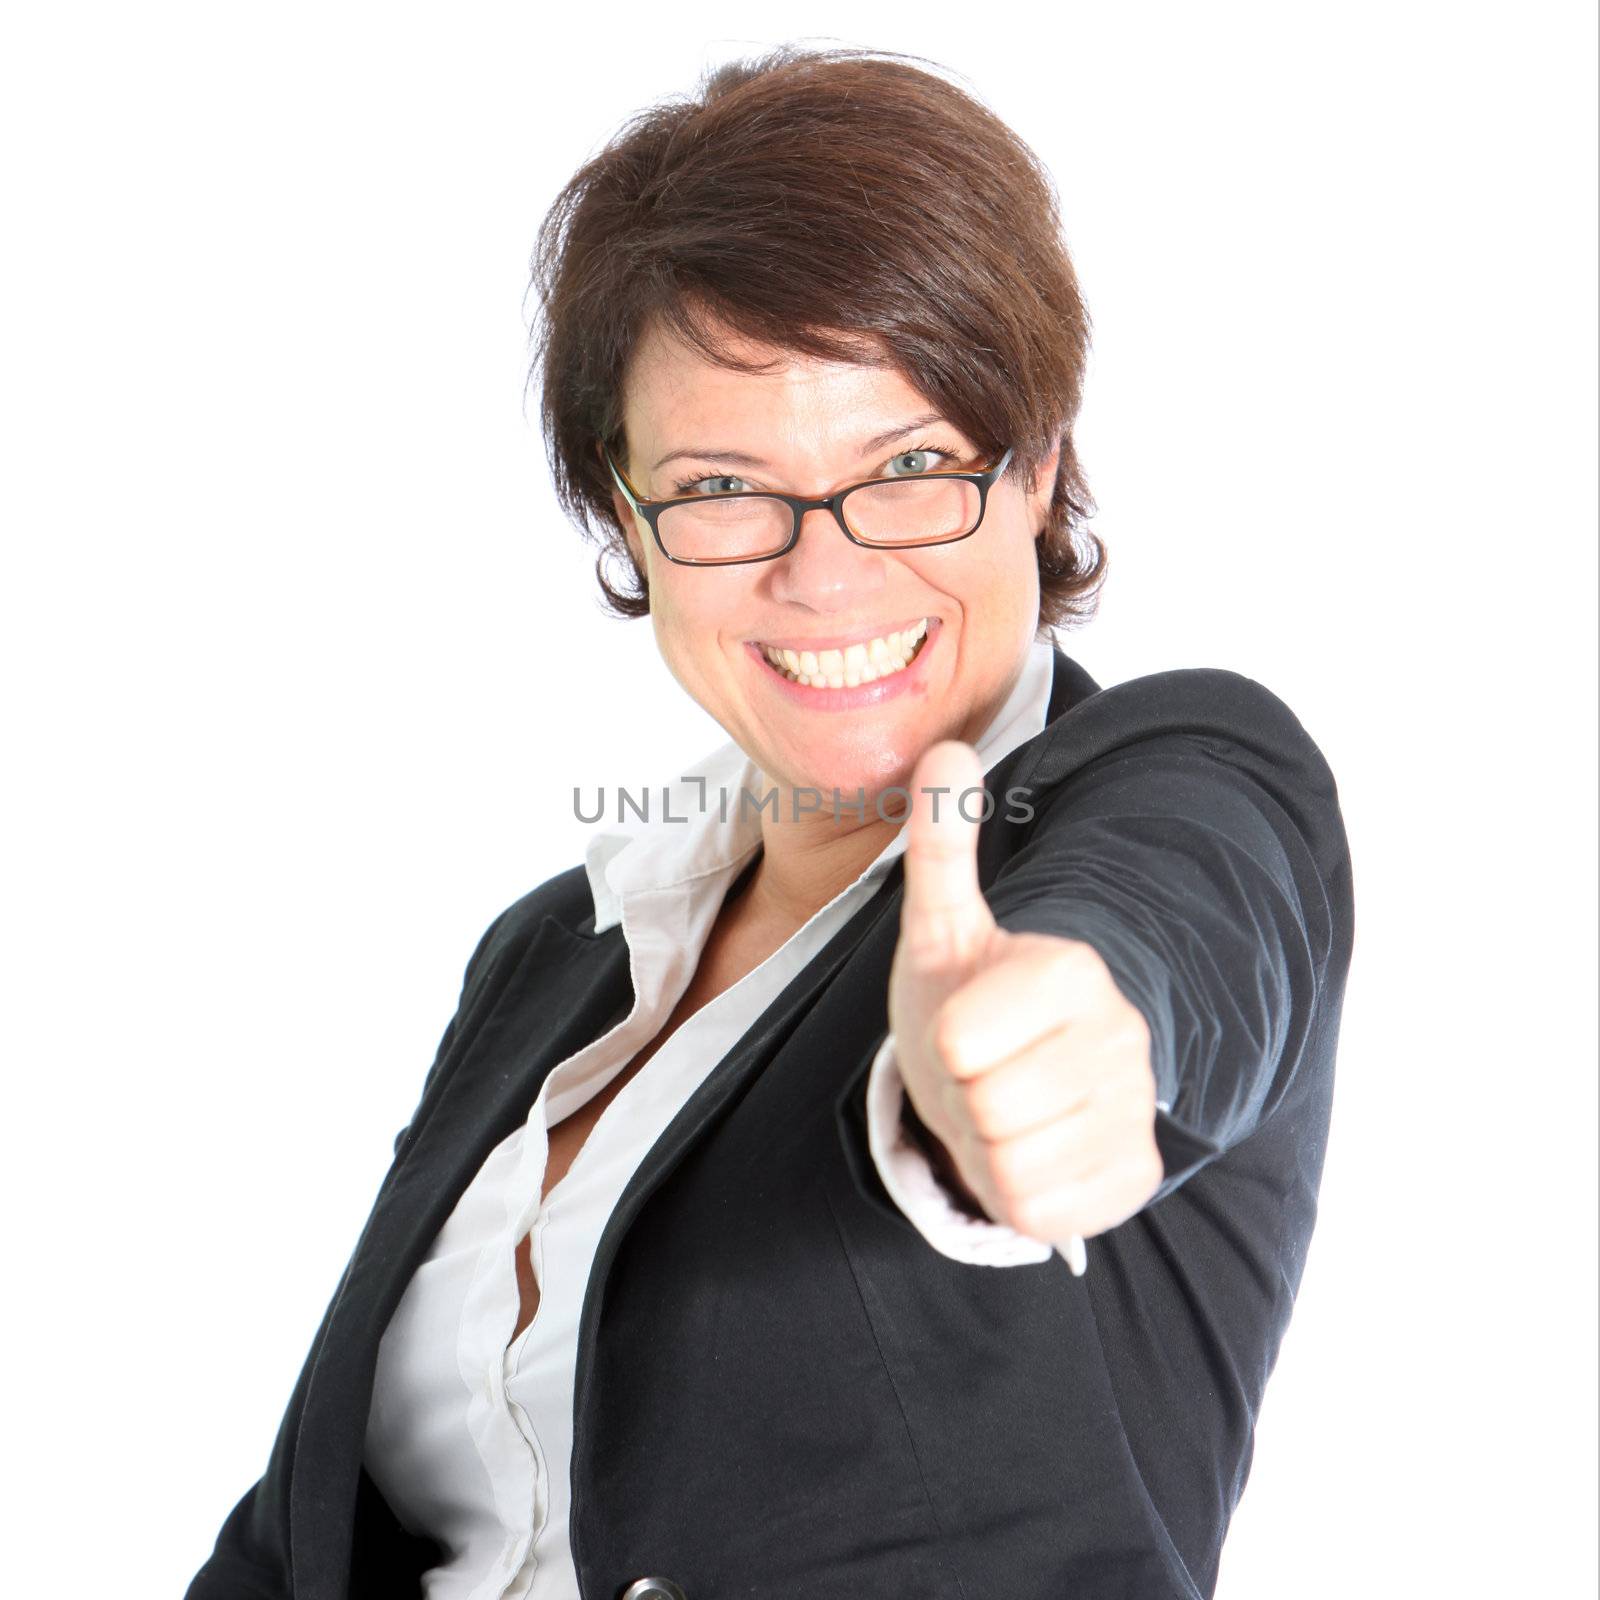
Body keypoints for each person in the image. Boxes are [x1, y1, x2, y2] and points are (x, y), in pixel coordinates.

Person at [186, 43, 1354, 1600]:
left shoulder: (1178, 779)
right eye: (726, 485)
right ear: (626, 516)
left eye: (913, 465)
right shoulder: (550, 954)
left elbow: (1181, 928)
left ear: (1041, 463)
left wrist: (1058, 1052)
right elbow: (300, 1536)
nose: (825, 571)